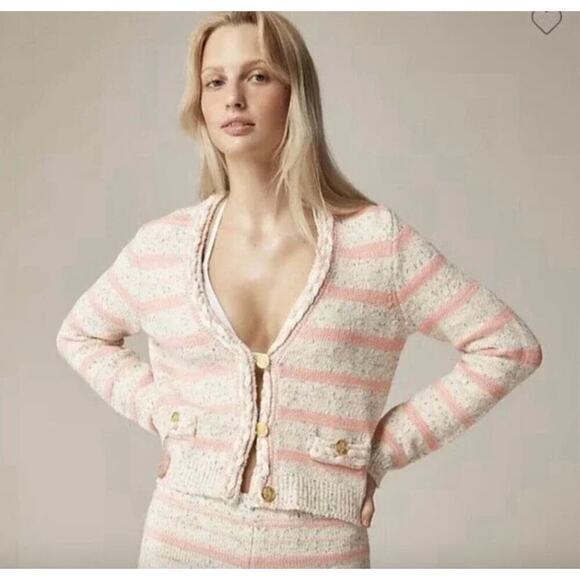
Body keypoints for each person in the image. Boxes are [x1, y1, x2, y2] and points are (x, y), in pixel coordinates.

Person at [56, 11, 543, 569]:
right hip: (181, 543)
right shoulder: (161, 248)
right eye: (215, 81)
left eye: (257, 76)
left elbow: (508, 347)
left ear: (295, 93)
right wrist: (167, 414)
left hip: (320, 552)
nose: (233, 98)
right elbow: (81, 335)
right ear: (200, 105)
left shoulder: (375, 244)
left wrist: (378, 452)